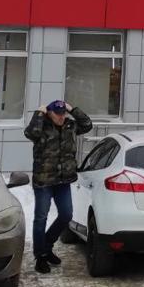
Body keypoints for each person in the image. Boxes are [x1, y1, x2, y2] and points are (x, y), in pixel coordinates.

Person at [24, 100, 93, 273]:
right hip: (44, 181)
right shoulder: (42, 126)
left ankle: (46, 246)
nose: (61, 117)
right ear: (49, 113)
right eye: (57, 113)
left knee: (66, 215)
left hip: (63, 181)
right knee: (41, 218)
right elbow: (30, 133)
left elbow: (87, 124)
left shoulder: (70, 126)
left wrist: (72, 108)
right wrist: (39, 113)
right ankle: (40, 256)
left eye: (63, 113)